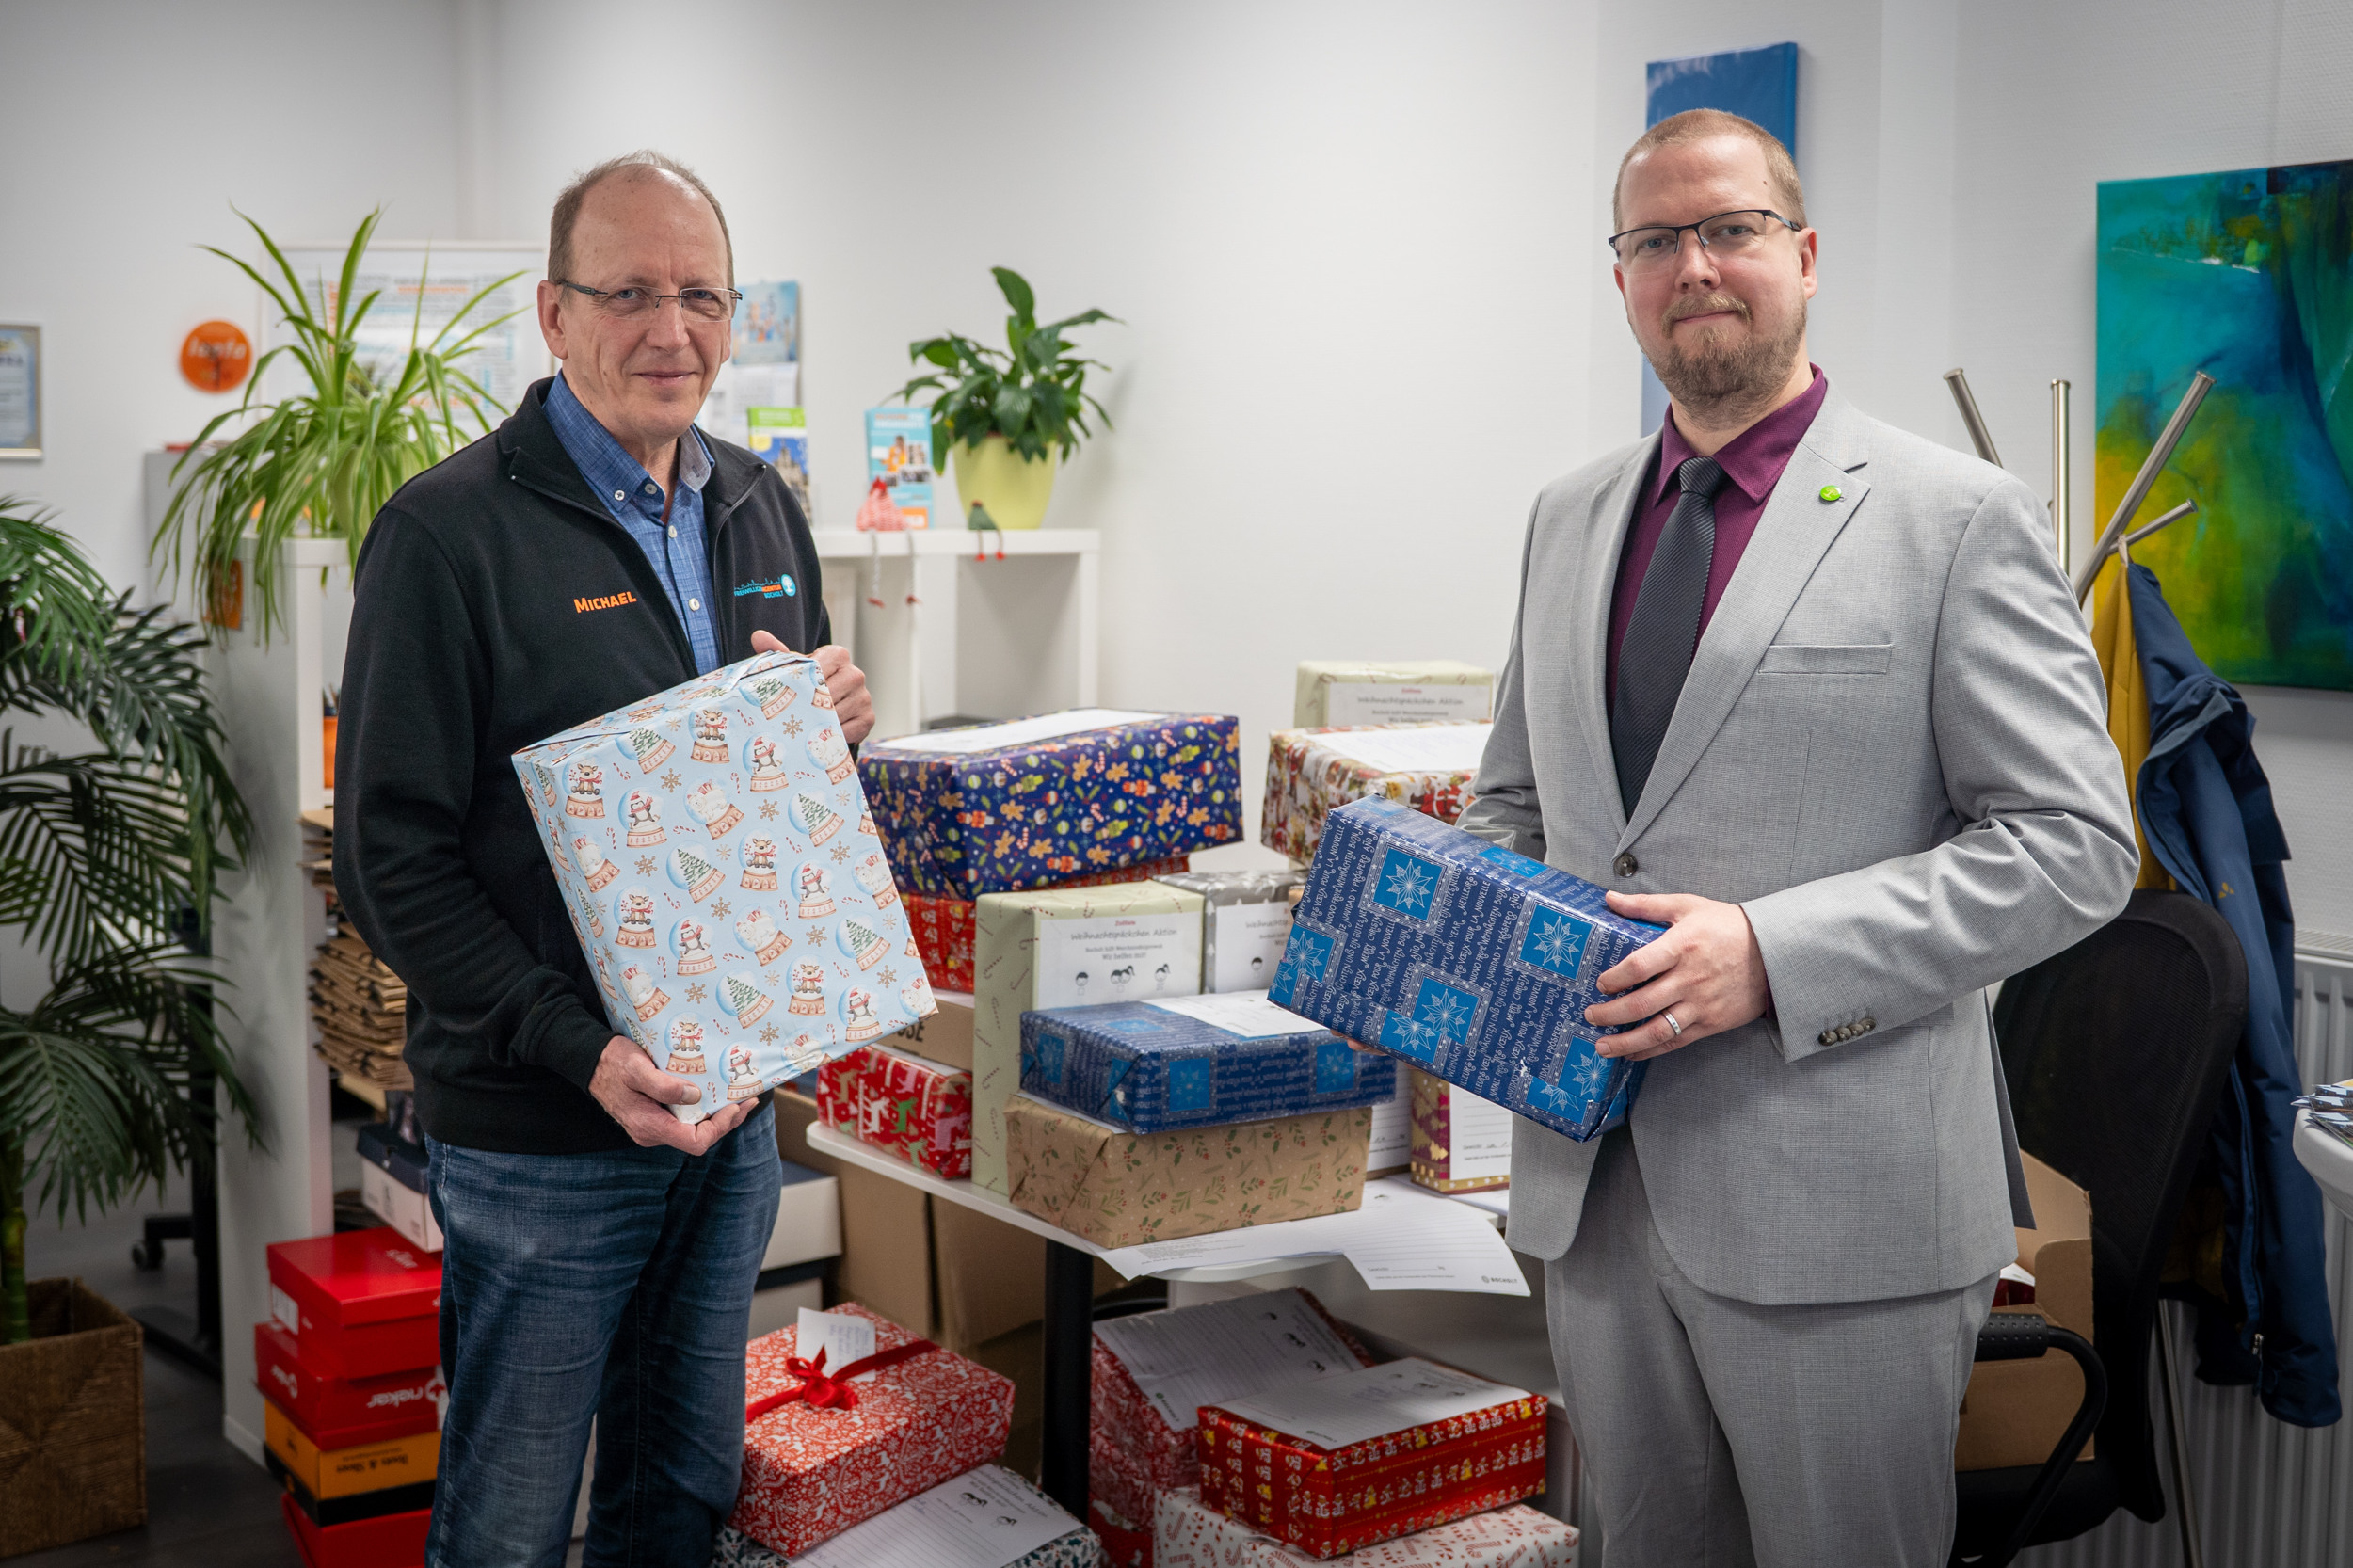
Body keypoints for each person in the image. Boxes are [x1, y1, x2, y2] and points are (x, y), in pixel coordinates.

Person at [1457, 109, 2137, 1564]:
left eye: (1732, 229)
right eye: (1657, 240)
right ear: (1622, 278)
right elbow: (1514, 805)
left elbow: (2075, 843)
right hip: (1595, 1195)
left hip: (1845, 1219)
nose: (1695, 265)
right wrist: (1453, 934)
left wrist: (1773, 953)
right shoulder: (1567, 518)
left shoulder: (1956, 518)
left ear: (1806, 256)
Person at [334, 150, 872, 1567]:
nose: (671, 330)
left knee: (677, 1493)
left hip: (728, 1109)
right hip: (545, 1133)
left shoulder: (760, 504)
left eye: (702, 296)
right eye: (629, 292)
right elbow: (391, 859)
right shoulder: (446, 535)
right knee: (510, 1524)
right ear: (554, 314)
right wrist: (575, 1046)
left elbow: (765, 805)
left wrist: (832, 731)